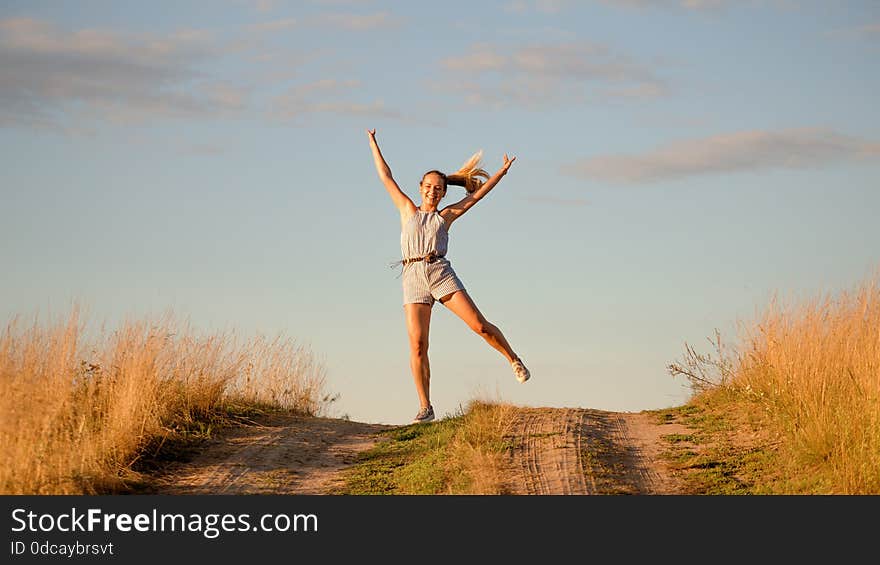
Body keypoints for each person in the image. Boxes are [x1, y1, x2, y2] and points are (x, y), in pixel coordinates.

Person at [366, 128, 531, 424]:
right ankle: (425, 407)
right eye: (428, 186)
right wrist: (373, 143)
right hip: (413, 276)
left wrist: (502, 173)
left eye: (438, 188)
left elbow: (477, 196)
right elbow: (386, 177)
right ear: (421, 188)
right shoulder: (407, 209)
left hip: (440, 272)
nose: (433, 191)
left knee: (479, 325)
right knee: (417, 344)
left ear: (443, 192)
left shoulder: (447, 215)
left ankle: (514, 360)